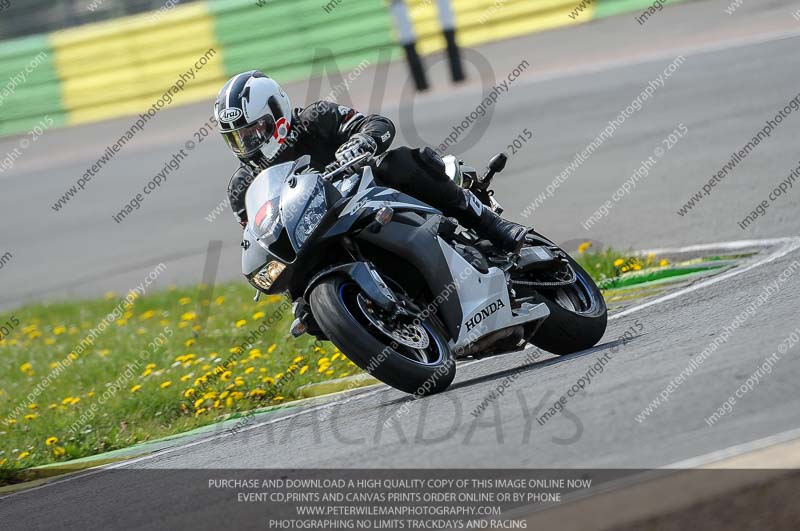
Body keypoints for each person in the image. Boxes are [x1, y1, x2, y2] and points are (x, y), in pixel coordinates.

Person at [216, 71, 528, 252]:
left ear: (277, 114)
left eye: (253, 130)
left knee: (397, 163)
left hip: (372, 199)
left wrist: (360, 143)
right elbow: (260, 240)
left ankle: (493, 226)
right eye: (237, 137)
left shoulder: (315, 120)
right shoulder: (242, 187)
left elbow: (377, 124)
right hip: (322, 235)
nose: (248, 143)